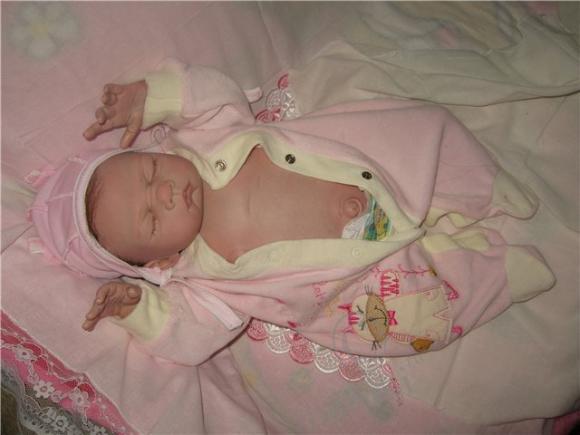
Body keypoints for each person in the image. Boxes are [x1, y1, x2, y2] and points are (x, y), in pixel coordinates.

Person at [30, 59, 555, 365]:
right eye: (151, 220)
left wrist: (154, 97)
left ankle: (484, 188)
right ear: (158, 263)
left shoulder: (205, 136)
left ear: (153, 150)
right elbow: (190, 338)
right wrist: (141, 312)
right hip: (357, 280)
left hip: (370, 169)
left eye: (149, 173)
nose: (165, 194)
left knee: (423, 135)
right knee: (415, 317)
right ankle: (499, 276)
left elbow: (212, 92)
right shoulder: (201, 283)